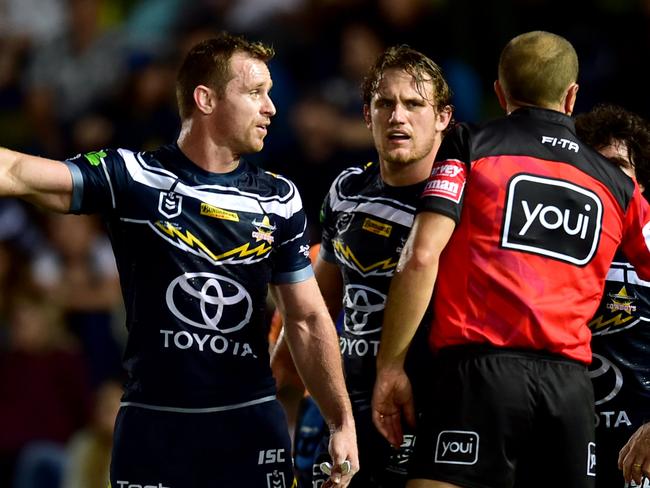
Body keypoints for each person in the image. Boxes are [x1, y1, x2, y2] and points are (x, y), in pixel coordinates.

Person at [0, 32, 358, 488]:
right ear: (205, 99)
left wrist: (340, 421)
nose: (271, 107)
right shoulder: (133, 176)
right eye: (254, 93)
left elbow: (306, 319)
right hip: (155, 427)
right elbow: (15, 171)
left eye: (269, 94)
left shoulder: (280, 198)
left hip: (248, 425)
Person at [371, 30, 650, 488]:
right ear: (571, 96)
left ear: (499, 93)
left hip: (478, 377)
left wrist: (390, 366)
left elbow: (421, 257)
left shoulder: (469, 145)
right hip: (570, 394)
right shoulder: (619, 186)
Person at [310, 45, 452, 487]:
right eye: (384, 103)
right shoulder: (346, 188)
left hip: (427, 407)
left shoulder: (462, 201)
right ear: (367, 115)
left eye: (414, 104)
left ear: (443, 117)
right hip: (346, 410)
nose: (398, 116)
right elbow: (318, 308)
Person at [575, 103, 650, 488]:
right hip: (564, 444)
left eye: (618, 165)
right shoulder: (553, 248)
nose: (607, 178)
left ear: (640, 182)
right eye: (595, 165)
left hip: (640, 450)